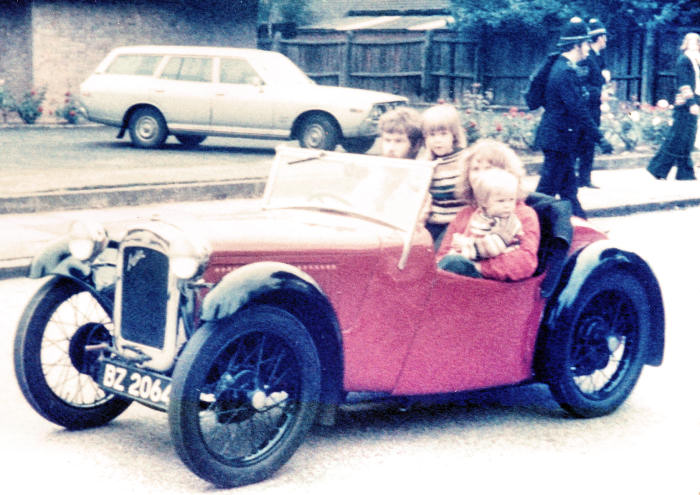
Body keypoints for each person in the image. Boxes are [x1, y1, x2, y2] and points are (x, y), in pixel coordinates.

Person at [534, 17, 613, 219]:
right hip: (558, 140)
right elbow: (578, 110)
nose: (588, 48)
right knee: (544, 195)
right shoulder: (564, 72)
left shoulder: (562, 67)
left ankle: (584, 228)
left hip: (560, 139)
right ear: (577, 45)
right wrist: (600, 138)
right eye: (586, 43)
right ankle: (526, 230)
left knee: (568, 192)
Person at [436, 139, 540, 282]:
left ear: (507, 175)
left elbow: (524, 262)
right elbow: (442, 257)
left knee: (453, 263)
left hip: (496, 289)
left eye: (489, 168)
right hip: (461, 284)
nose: (480, 175)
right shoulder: (465, 214)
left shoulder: (522, 214)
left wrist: (474, 266)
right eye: (475, 169)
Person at [647, 32, 700, 181]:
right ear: (685, 44)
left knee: (686, 138)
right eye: (690, 41)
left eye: (696, 41)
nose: (694, 44)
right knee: (677, 138)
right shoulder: (684, 60)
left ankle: (685, 172)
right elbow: (684, 83)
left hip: (694, 101)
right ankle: (657, 168)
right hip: (686, 104)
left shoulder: (696, 61)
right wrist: (691, 103)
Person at [421, 103, 468, 244]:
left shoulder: (465, 159)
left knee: (438, 253)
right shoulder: (428, 163)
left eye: (443, 134)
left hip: (458, 223)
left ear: (453, 135)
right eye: (432, 135)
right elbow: (418, 191)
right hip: (434, 222)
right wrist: (427, 163)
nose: (437, 140)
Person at [576, 18, 610, 189]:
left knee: (589, 141)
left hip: (594, 107)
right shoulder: (586, 58)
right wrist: (599, 93)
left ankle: (584, 177)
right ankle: (577, 176)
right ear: (599, 38)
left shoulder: (598, 57)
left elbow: (600, 78)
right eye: (604, 36)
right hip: (586, 106)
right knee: (583, 140)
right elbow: (583, 83)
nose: (606, 40)